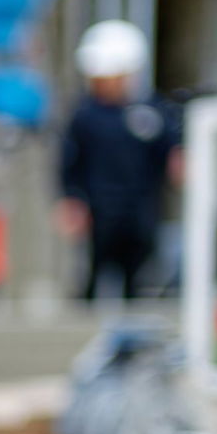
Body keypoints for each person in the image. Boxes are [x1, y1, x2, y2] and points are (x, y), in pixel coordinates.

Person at [57, 19, 183, 302]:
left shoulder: (151, 110)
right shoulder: (85, 114)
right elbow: (69, 160)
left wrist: (177, 159)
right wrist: (71, 199)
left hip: (141, 206)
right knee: (94, 273)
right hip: (100, 207)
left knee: (136, 275)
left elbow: (170, 146)